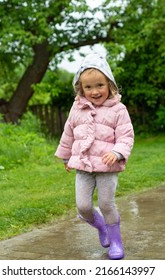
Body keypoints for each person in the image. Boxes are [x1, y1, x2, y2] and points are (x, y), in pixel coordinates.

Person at [55, 53, 134, 260]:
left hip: (107, 167)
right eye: (88, 87)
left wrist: (117, 152)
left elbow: (126, 136)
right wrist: (65, 157)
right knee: (83, 207)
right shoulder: (77, 108)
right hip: (83, 165)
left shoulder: (118, 109)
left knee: (107, 204)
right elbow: (68, 133)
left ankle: (116, 241)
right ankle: (101, 227)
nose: (94, 91)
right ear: (81, 88)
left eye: (100, 85)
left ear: (109, 84)